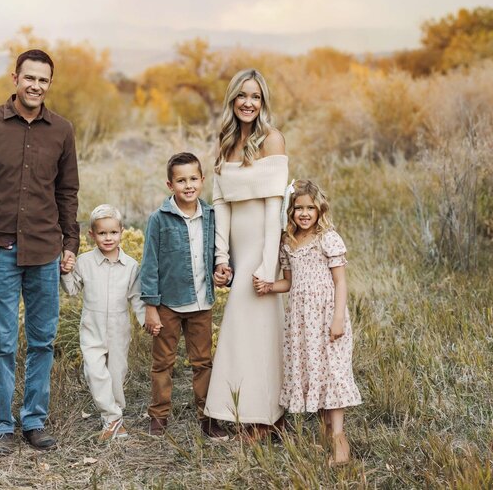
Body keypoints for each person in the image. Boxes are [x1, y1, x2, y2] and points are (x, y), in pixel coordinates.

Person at [0, 49, 79, 455]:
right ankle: (2, 427)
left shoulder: (61, 130)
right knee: (2, 342)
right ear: (15, 78)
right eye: (30, 78)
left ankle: (34, 421)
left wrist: (70, 242)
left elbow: (67, 192)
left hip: (45, 251)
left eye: (44, 80)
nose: (36, 86)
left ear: (49, 84)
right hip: (0, 252)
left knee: (43, 341)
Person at [204, 69, 288, 438]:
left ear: (263, 102)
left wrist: (268, 265)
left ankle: (267, 417)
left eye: (255, 97)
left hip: (262, 246)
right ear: (232, 100)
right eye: (242, 96)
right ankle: (244, 410)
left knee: (258, 328)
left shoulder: (272, 140)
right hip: (238, 246)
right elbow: (220, 204)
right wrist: (221, 259)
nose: (248, 103)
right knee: (241, 328)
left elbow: (275, 207)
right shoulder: (225, 143)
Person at [254, 179, 362, 465]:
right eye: (298, 208)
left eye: (309, 208)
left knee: (334, 373)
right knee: (317, 373)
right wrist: (269, 286)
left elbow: (340, 282)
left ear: (319, 209)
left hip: (327, 316)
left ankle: (340, 442)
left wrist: (338, 318)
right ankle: (327, 435)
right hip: (302, 320)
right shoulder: (288, 242)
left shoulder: (327, 237)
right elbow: (289, 283)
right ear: (290, 212)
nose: (304, 213)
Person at [140, 152, 228, 440]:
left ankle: (208, 416)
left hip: (202, 303)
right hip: (168, 304)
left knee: (202, 362)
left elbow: (220, 254)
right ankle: (159, 415)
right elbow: (150, 264)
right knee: (163, 362)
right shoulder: (159, 219)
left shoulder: (212, 216)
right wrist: (151, 307)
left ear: (202, 180)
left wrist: (223, 271)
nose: (188, 185)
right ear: (170, 185)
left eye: (193, 179)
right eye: (181, 180)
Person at [60, 204, 148, 441]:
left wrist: (145, 320)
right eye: (102, 233)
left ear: (121, 231)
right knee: (95, 373)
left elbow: (137, 298)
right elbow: (71, 290)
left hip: (119, 329)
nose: (108, 238)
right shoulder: (84, 262)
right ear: (92, 235)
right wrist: (66, 271)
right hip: (92, 328)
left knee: (117, 373)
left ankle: (114, 415)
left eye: (113, 232)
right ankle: (112, 418)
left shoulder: (130, 266)